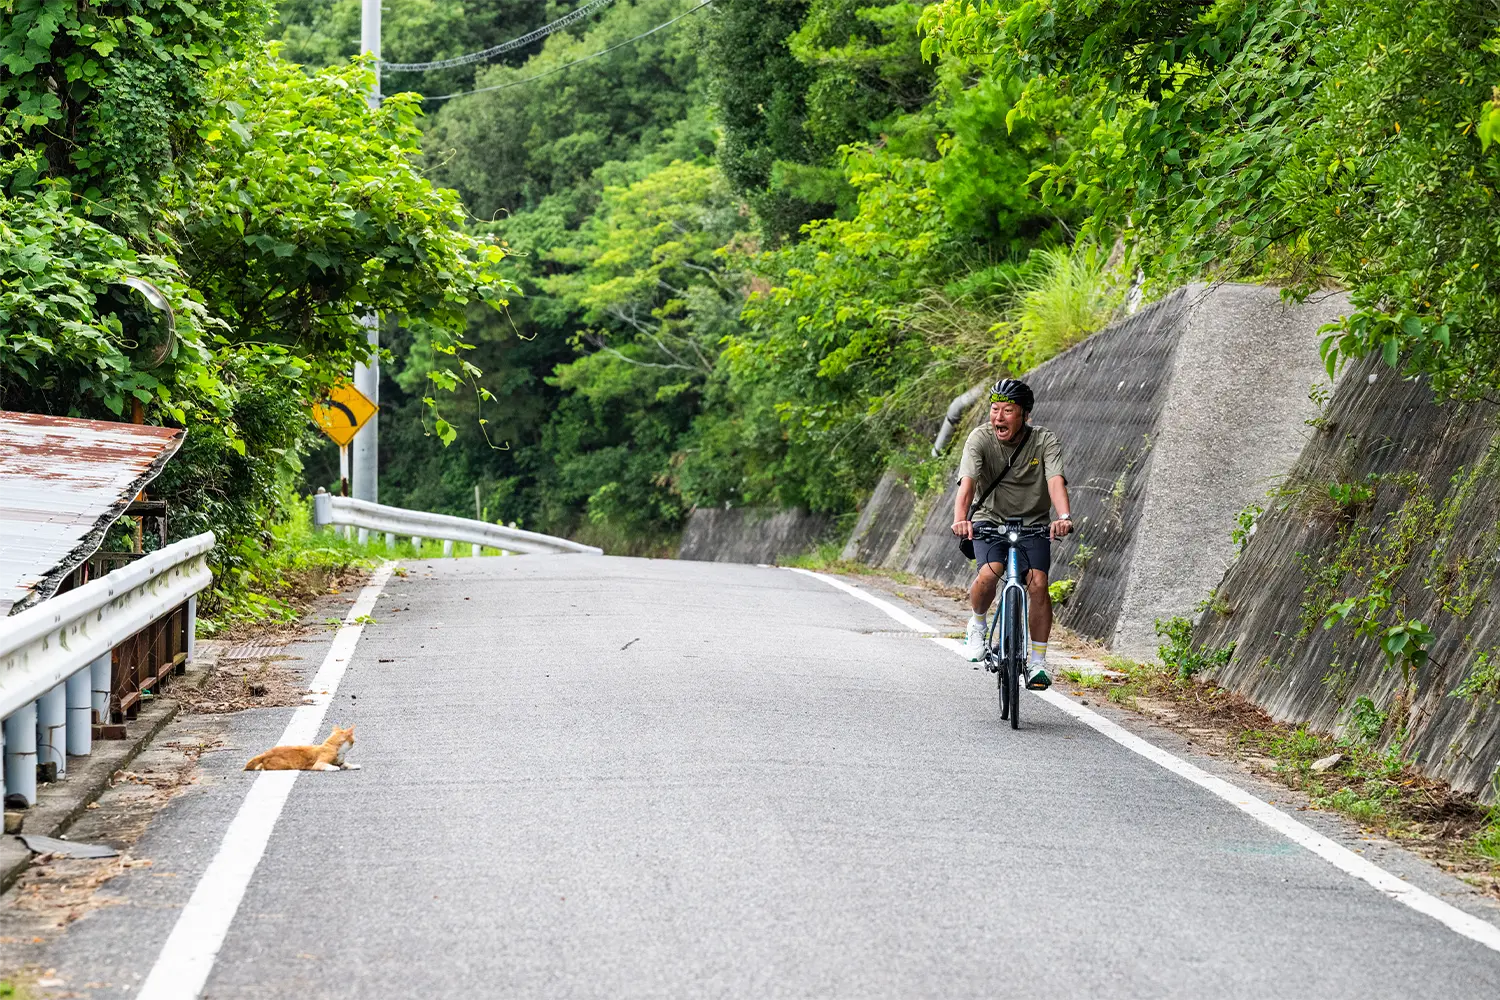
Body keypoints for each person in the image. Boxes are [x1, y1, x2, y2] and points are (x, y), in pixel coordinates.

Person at [950, 378, 1073, 689]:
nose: (998, 417)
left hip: (1033, 524)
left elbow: (1055, 480)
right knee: (991, 573)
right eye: (994, 409)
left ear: (1025, 415)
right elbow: (968, 485)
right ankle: (977, 625)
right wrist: (960, 520)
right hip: (990, 521)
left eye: (1007, 410)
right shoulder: (979, 439)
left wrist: (1063, 517)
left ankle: (1038, 662)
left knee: (1039, 584)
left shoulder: (1044, 441)